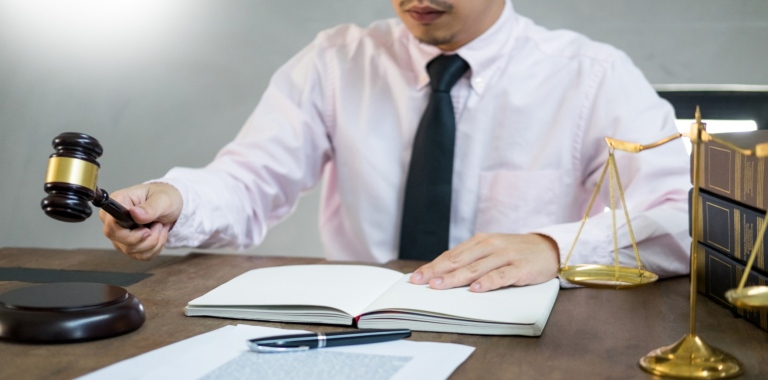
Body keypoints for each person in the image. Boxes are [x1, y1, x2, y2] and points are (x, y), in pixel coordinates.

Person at [100, 0, 691, 292]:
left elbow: (686, 218)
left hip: (531, 335)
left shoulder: (593, 75)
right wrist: (178, 199)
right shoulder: (337, 59)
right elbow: (250, 182)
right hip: (359, 321)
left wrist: (554, 247)